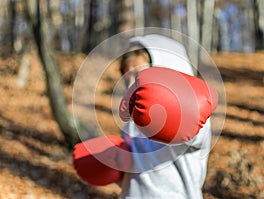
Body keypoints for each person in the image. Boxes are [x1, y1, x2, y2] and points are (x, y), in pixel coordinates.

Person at [73, 34, 218, 199]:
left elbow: (195, 134)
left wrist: (178, 101)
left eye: (138, 77)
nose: (129, 86)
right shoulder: (133, 122)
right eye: (127, 78)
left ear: (168, 70)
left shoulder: (196, 116)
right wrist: (116, 163)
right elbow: (138, 175)